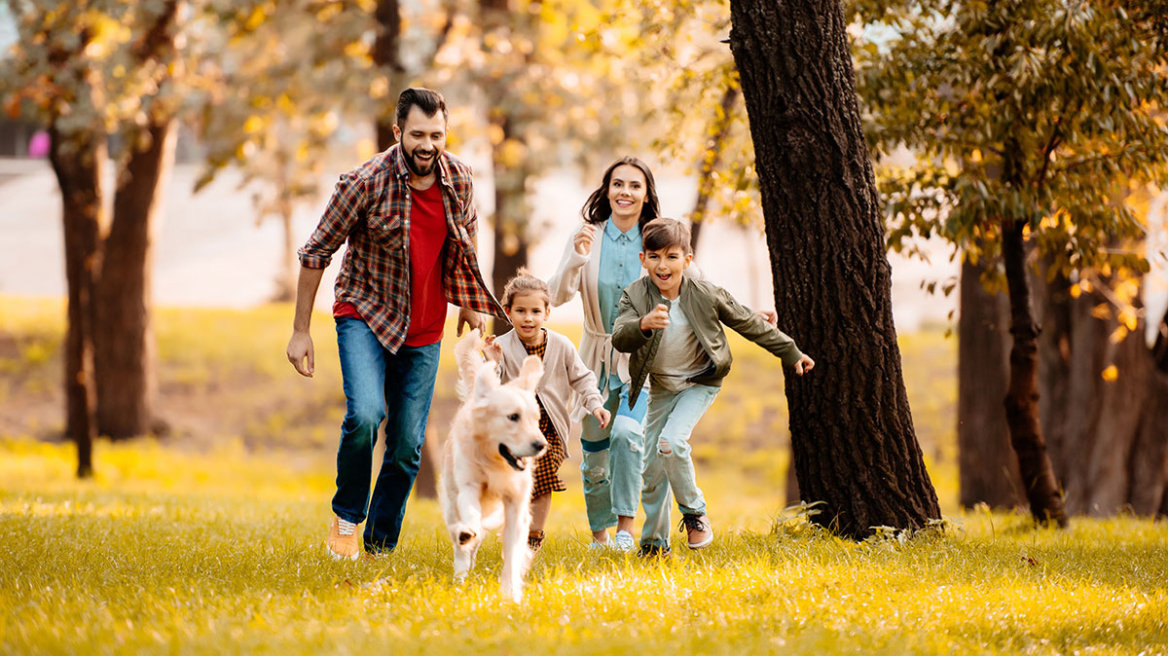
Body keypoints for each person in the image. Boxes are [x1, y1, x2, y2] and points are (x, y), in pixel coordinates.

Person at [286, 88, 506, 560]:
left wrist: (469, 299)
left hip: (424, 328)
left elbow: (466, 237)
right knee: (365, 415)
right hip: (366, 313)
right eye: (417, 135)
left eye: (437, 135)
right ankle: (347, 518)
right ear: (398, 132)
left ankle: (379, 545)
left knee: (407, 446)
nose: (427, 145)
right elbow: (315, 252)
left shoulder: (461, 179)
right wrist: (301, 329)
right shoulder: (363, 182)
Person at [612, 218, 815, 555]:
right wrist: (643, 324)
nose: (663, 266)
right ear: (643, 259)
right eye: (655, 257)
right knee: (651, 470)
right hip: (662, 388)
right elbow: (620, 336)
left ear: (687, 260)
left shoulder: (704, 293)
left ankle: (694, 514)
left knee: (671, 442)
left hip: (700, 382)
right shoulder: (634, 296)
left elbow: (747, 322)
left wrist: (790, 350)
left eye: (672, 257)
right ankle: (653, 543)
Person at [547, 156, 663, 552]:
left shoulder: (656, 239)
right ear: (606, 189)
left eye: (634, 185)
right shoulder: (587, 235)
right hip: (593, 357)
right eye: (618, 184)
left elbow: (695, 287)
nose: (625, 192)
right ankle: (601, 536)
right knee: (594, 455)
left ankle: (627, 532)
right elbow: (555, 296)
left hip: (641, 362)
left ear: (646, 195)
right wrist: (577, 257)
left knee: (629, 435)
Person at [484, 271, 612, 552]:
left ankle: (533, 538)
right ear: (508, 312)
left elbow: (583, 378)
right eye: (520, 311)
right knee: (515, 482)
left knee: (541, 481)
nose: (528, 318)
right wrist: (492, 362)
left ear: (547, 312)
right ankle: (515, 529)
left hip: (550, 430)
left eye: (534, 311)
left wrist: (595, 404)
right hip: (515, 431)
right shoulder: (502, 347)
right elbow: (491, 389)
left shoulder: (562, 345)